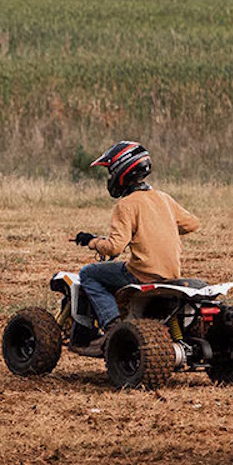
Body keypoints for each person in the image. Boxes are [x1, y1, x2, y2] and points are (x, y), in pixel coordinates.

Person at [72, 141, 201, 352]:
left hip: (142, 274)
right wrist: (158, 227)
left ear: (121, 172)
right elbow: (192, 223)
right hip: (171, 273)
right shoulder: (163, 198)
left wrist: (92, 241)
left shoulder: (126, 204)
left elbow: (114, 248)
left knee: (88, 273)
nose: (110, 178)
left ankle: (112, 327)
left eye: (111, 172)